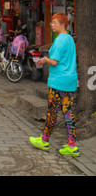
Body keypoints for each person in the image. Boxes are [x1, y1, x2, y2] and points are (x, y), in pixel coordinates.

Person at [29, 13, 79, 157]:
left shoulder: (60, 40)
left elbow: (55, 61)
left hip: (58, 81)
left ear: (62, 24)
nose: (51, 25)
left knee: (52, 111)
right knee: (68, 112)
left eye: (54, 22)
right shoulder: (70, 38)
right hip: (70, 81)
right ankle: (72, 145)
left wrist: (44, 59)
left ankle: (44, 140)